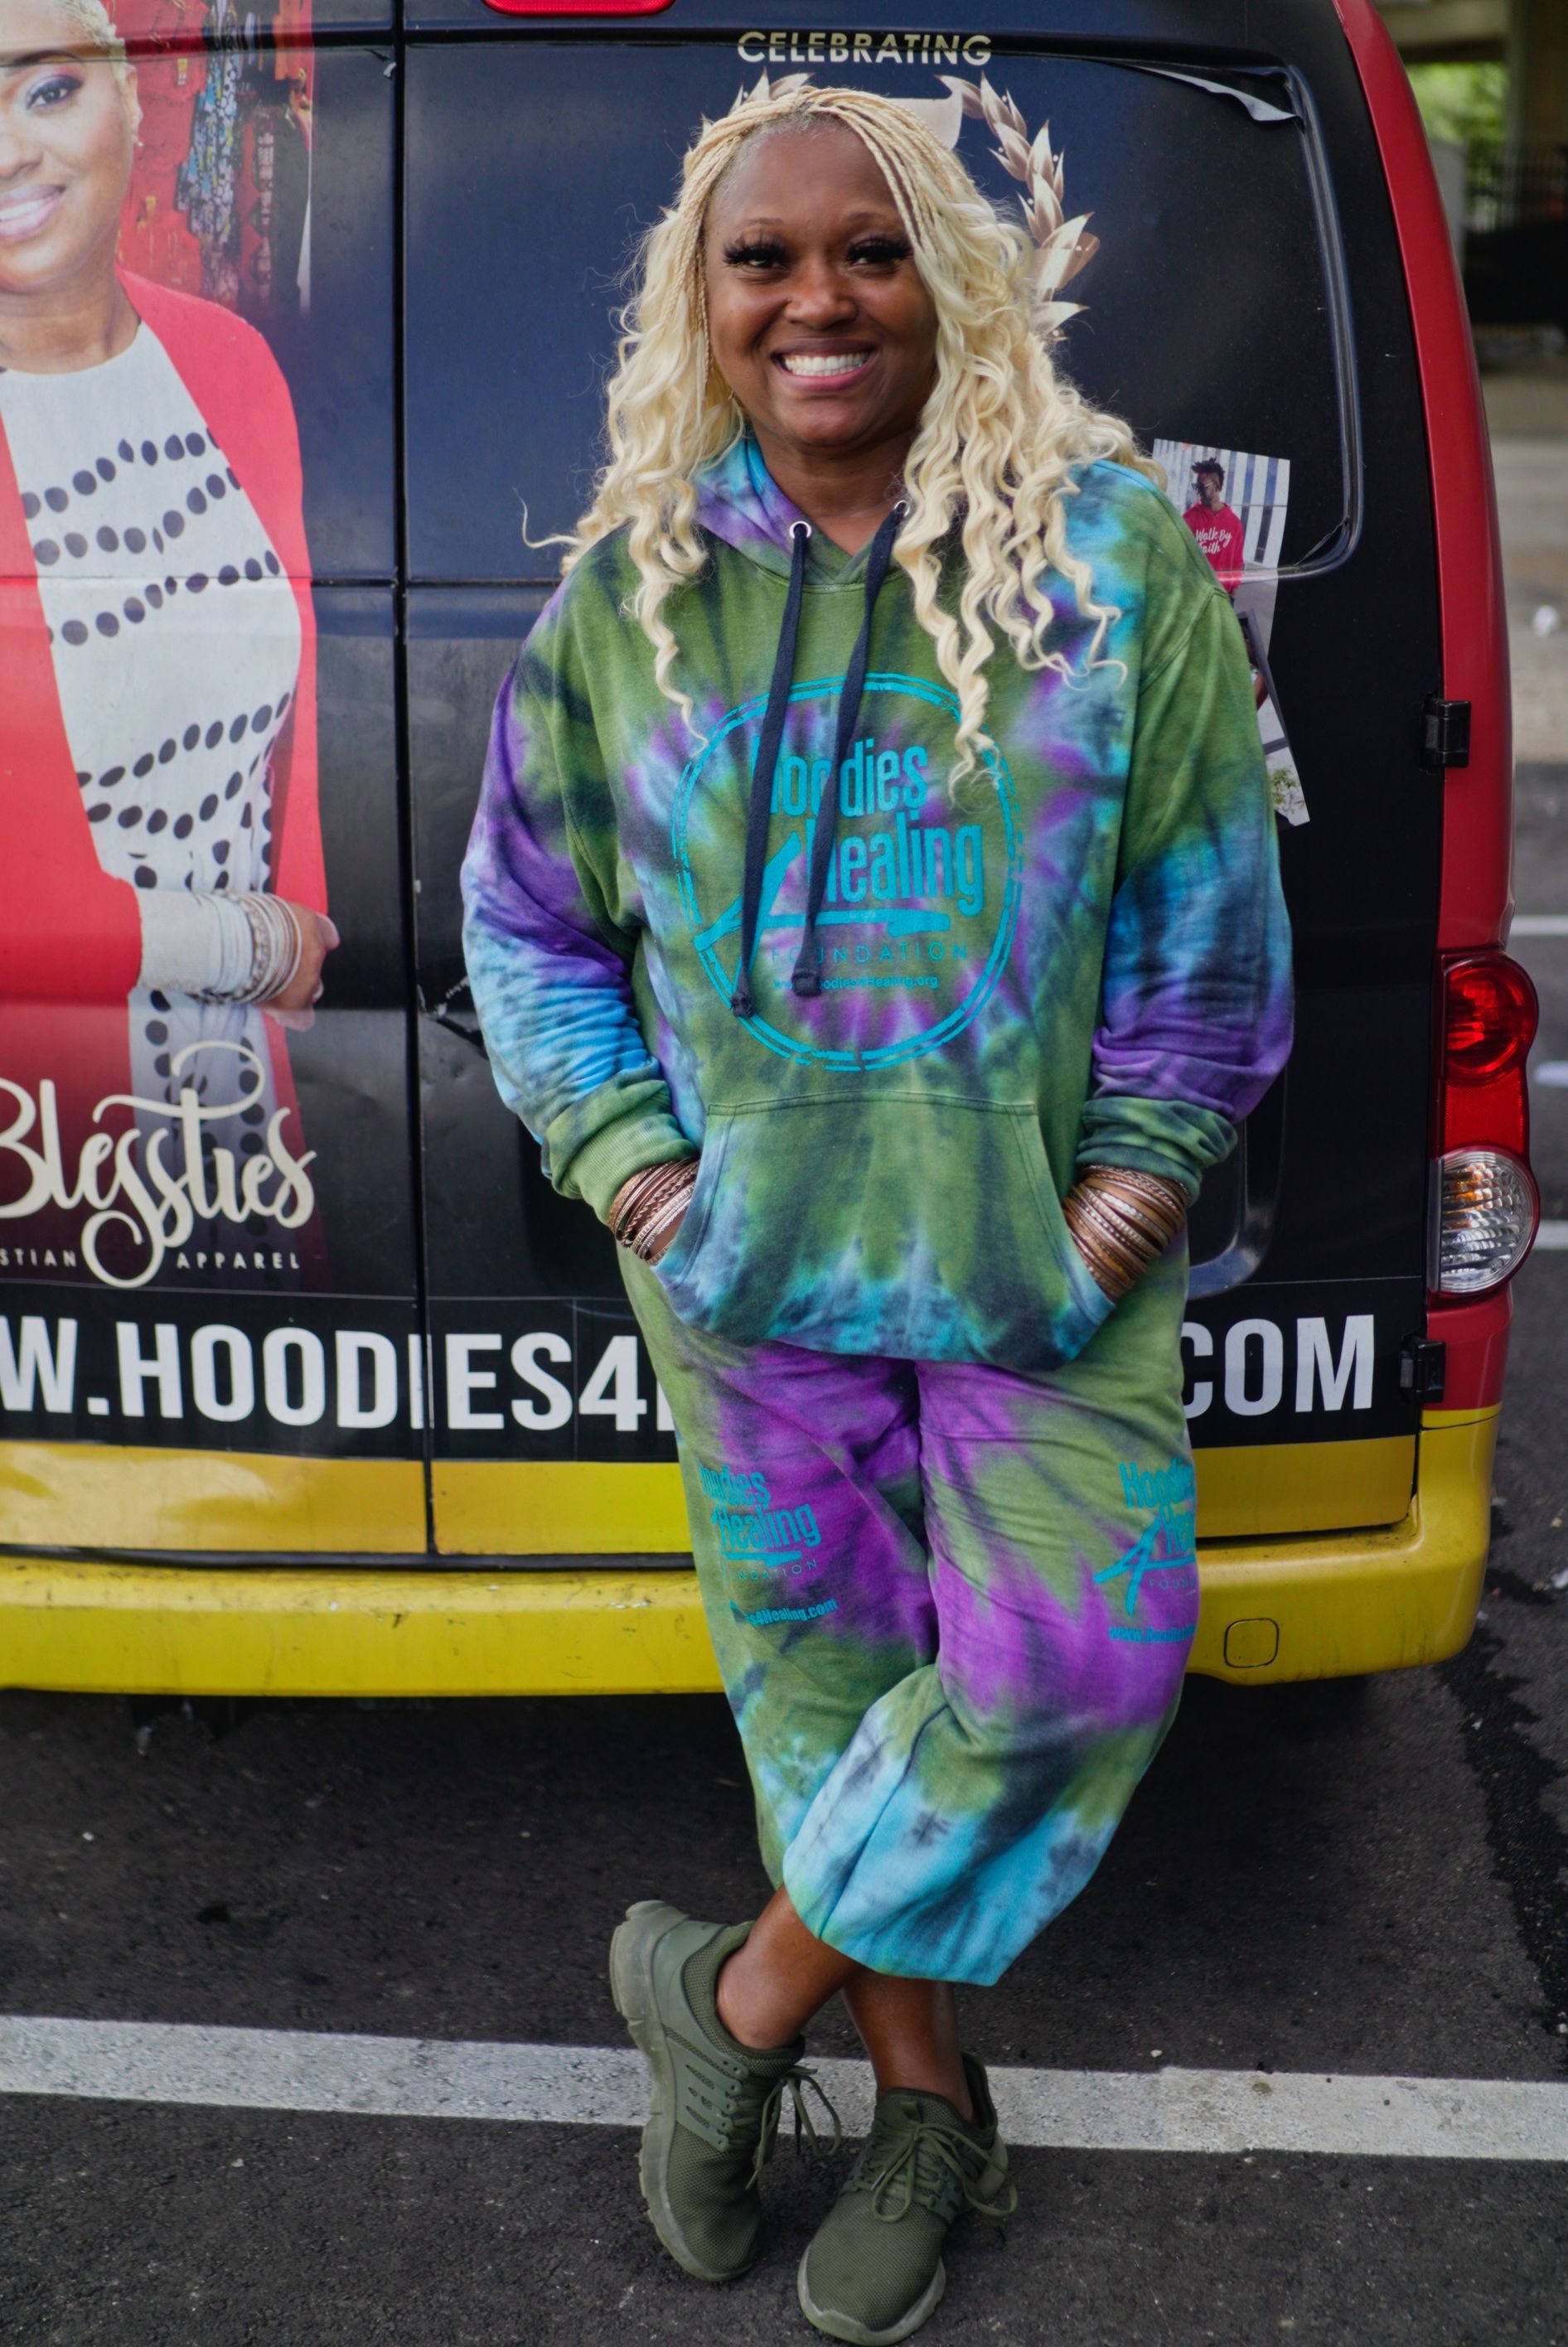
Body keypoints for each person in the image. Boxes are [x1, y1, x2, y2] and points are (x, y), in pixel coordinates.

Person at [463, 83, 1291, 2345]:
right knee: (829, 1723)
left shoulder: (1111, 571)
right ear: (701, 306)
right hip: (753, 1299)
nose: (816, 296)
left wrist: (1113, 1214)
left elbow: (1207, 936)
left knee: (1067, 1667)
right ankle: (925, 2113)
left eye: (868, 249)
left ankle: (724, 2005)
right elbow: (524, 929)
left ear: (949, 273)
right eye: (764, 259)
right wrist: (637, 1169)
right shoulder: (633, 600)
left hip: (1039, 1289)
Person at [0, 0, 336, 1285]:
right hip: (45, 1121)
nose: (14, 155)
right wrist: (255, 946)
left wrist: (304, 948)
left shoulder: (231, 363)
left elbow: (299, 703)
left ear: (136, 106)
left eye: (49, 93)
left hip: (249, 1106)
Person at [1181, 456, 1246, 593]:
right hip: (1196, 595)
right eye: (1197, 486)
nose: (1198, 490)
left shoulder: (1235, 524)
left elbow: (1237, 561)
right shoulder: (1188, 519)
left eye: (1203, 486)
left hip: (1223, 597)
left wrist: (1234, 589)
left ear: (1217, 485)